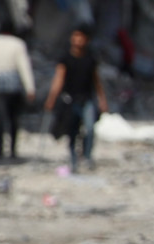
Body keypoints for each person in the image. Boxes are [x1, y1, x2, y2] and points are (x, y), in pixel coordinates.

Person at [44, 27, 108, 171]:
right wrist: (51, 98)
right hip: (70, 100)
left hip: (87, 100)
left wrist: (103, 100)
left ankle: (87, 156)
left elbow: (97, 81)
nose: (77, 40)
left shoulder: (91, 58)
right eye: (75, 36)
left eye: (80, 37)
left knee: (90, 129)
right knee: (72, 130)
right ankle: (73, 160)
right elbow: (58, 79)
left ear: (86, 39)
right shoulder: (65, 58)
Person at [0, 27, 35, 159]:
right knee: (13, 118)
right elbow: (24, 66)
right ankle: (12, 149)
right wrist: (30, 88)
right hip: (13, 84)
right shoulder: (18, 43)